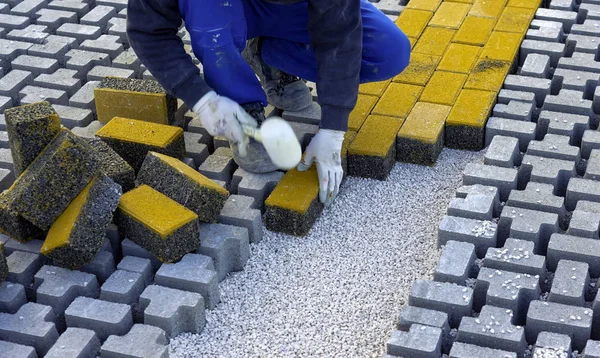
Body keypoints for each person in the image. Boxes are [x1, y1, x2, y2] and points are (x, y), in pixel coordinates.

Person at [127, 0, 411, 207]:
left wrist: (334, 128)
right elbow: (148, 31)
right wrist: (201, 98)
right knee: (207, 9)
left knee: (388, 52)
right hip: (224, 10)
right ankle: (242, 110)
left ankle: (267, 54)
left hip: (290, 11)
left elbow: (340, 33)